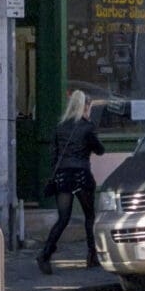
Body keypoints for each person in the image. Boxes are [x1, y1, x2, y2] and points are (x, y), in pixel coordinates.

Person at [36, 91, 104, 273]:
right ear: (85, 107)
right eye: (89, 107)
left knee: (63, 218)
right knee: (90, 216)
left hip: (63, 176)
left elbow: (53, 155)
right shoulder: (87, 127)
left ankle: (45, 254)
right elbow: (100, 150)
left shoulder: (60, 127)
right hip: (81, 174)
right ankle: (92, 256)